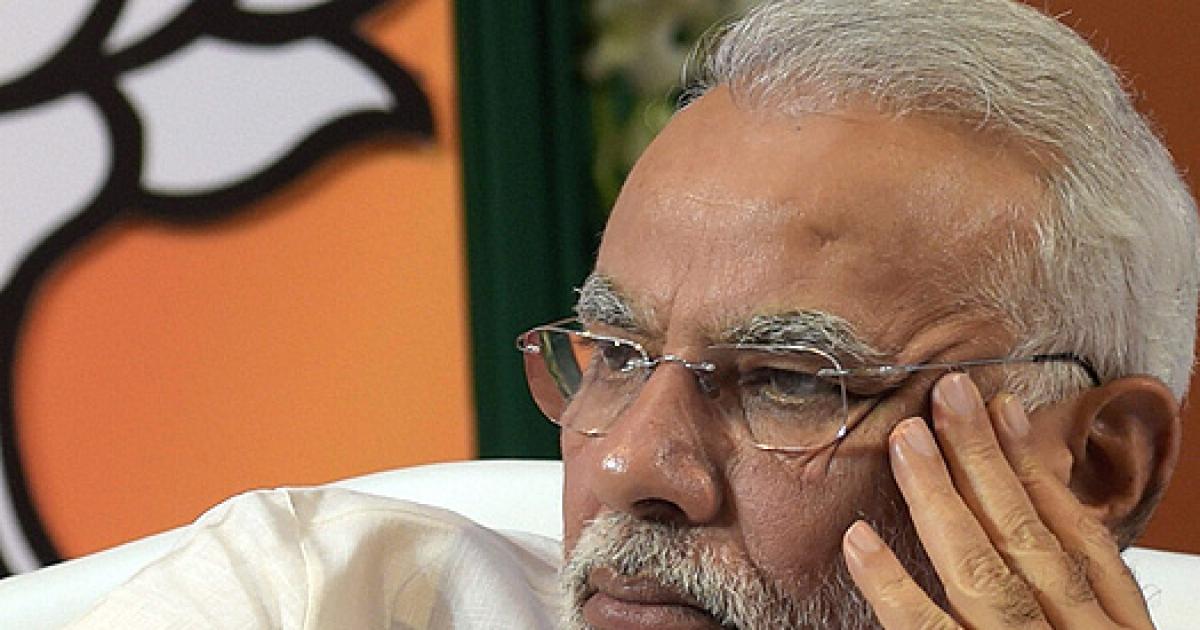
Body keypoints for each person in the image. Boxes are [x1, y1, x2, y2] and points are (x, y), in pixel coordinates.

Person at [65, 0, 1197, 628]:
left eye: (789, 380)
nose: (626, 467)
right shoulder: (315, 601)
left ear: (1097, 467)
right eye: (614, 353)